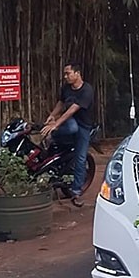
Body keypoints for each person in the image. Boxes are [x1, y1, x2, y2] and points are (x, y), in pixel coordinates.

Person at [41, 61, 95, 207]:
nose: (65, 76)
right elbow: (61, 103)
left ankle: (76, 191)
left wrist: (55, 125)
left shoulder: (86, 90)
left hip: (82, 126)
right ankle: (54, 141)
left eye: (68, 73)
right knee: (69, 128)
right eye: (65, 73)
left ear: (77, 74)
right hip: (68, 122)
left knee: (81, 158)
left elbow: (72, 110)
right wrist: (52, 116)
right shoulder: (66, 88)